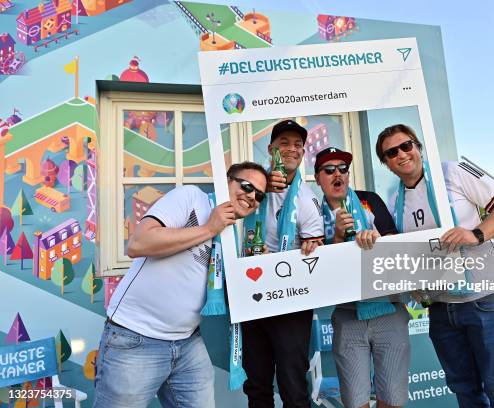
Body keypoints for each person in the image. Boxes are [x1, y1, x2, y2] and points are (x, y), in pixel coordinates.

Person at [93, 162, 268, 408]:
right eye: (247, 186)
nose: (251, 196)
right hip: (136, 338)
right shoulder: (191, 197)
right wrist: (209, 228)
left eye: (259, 195)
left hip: (187, 342)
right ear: (227, 180)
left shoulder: (232, 235)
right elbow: (139, 243)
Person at [376, 124, 494, 408]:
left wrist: (475, 234)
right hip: (441, 308)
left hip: (485, 299)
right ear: (386, 163)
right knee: (466, 394)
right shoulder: (395, 201)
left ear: (418, 147)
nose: (402, 154)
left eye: (406, 145)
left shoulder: (452, 172)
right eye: (392, 152)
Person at [314, 147, 410, 408]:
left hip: (388, 308)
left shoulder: (369, 199)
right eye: (329, 169)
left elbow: (394, 242)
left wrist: (376, 239)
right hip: (348, 314)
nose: (338, 174)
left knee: (392, 399)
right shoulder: (312, 211)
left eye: (343, 169)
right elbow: (316, 269)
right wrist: (336, 237)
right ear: (318, 178)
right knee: (355, 402)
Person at [241, 119, 324, 408]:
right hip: (251, 295)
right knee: (257, 384)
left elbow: (316, 248)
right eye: (284, 143)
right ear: (271, 149)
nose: (292, 149)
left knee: (293, 384)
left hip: (291, 300)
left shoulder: (306, 197)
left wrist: (313, 247)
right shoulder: (251, 187)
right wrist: (263, 186)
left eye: (298, 145)